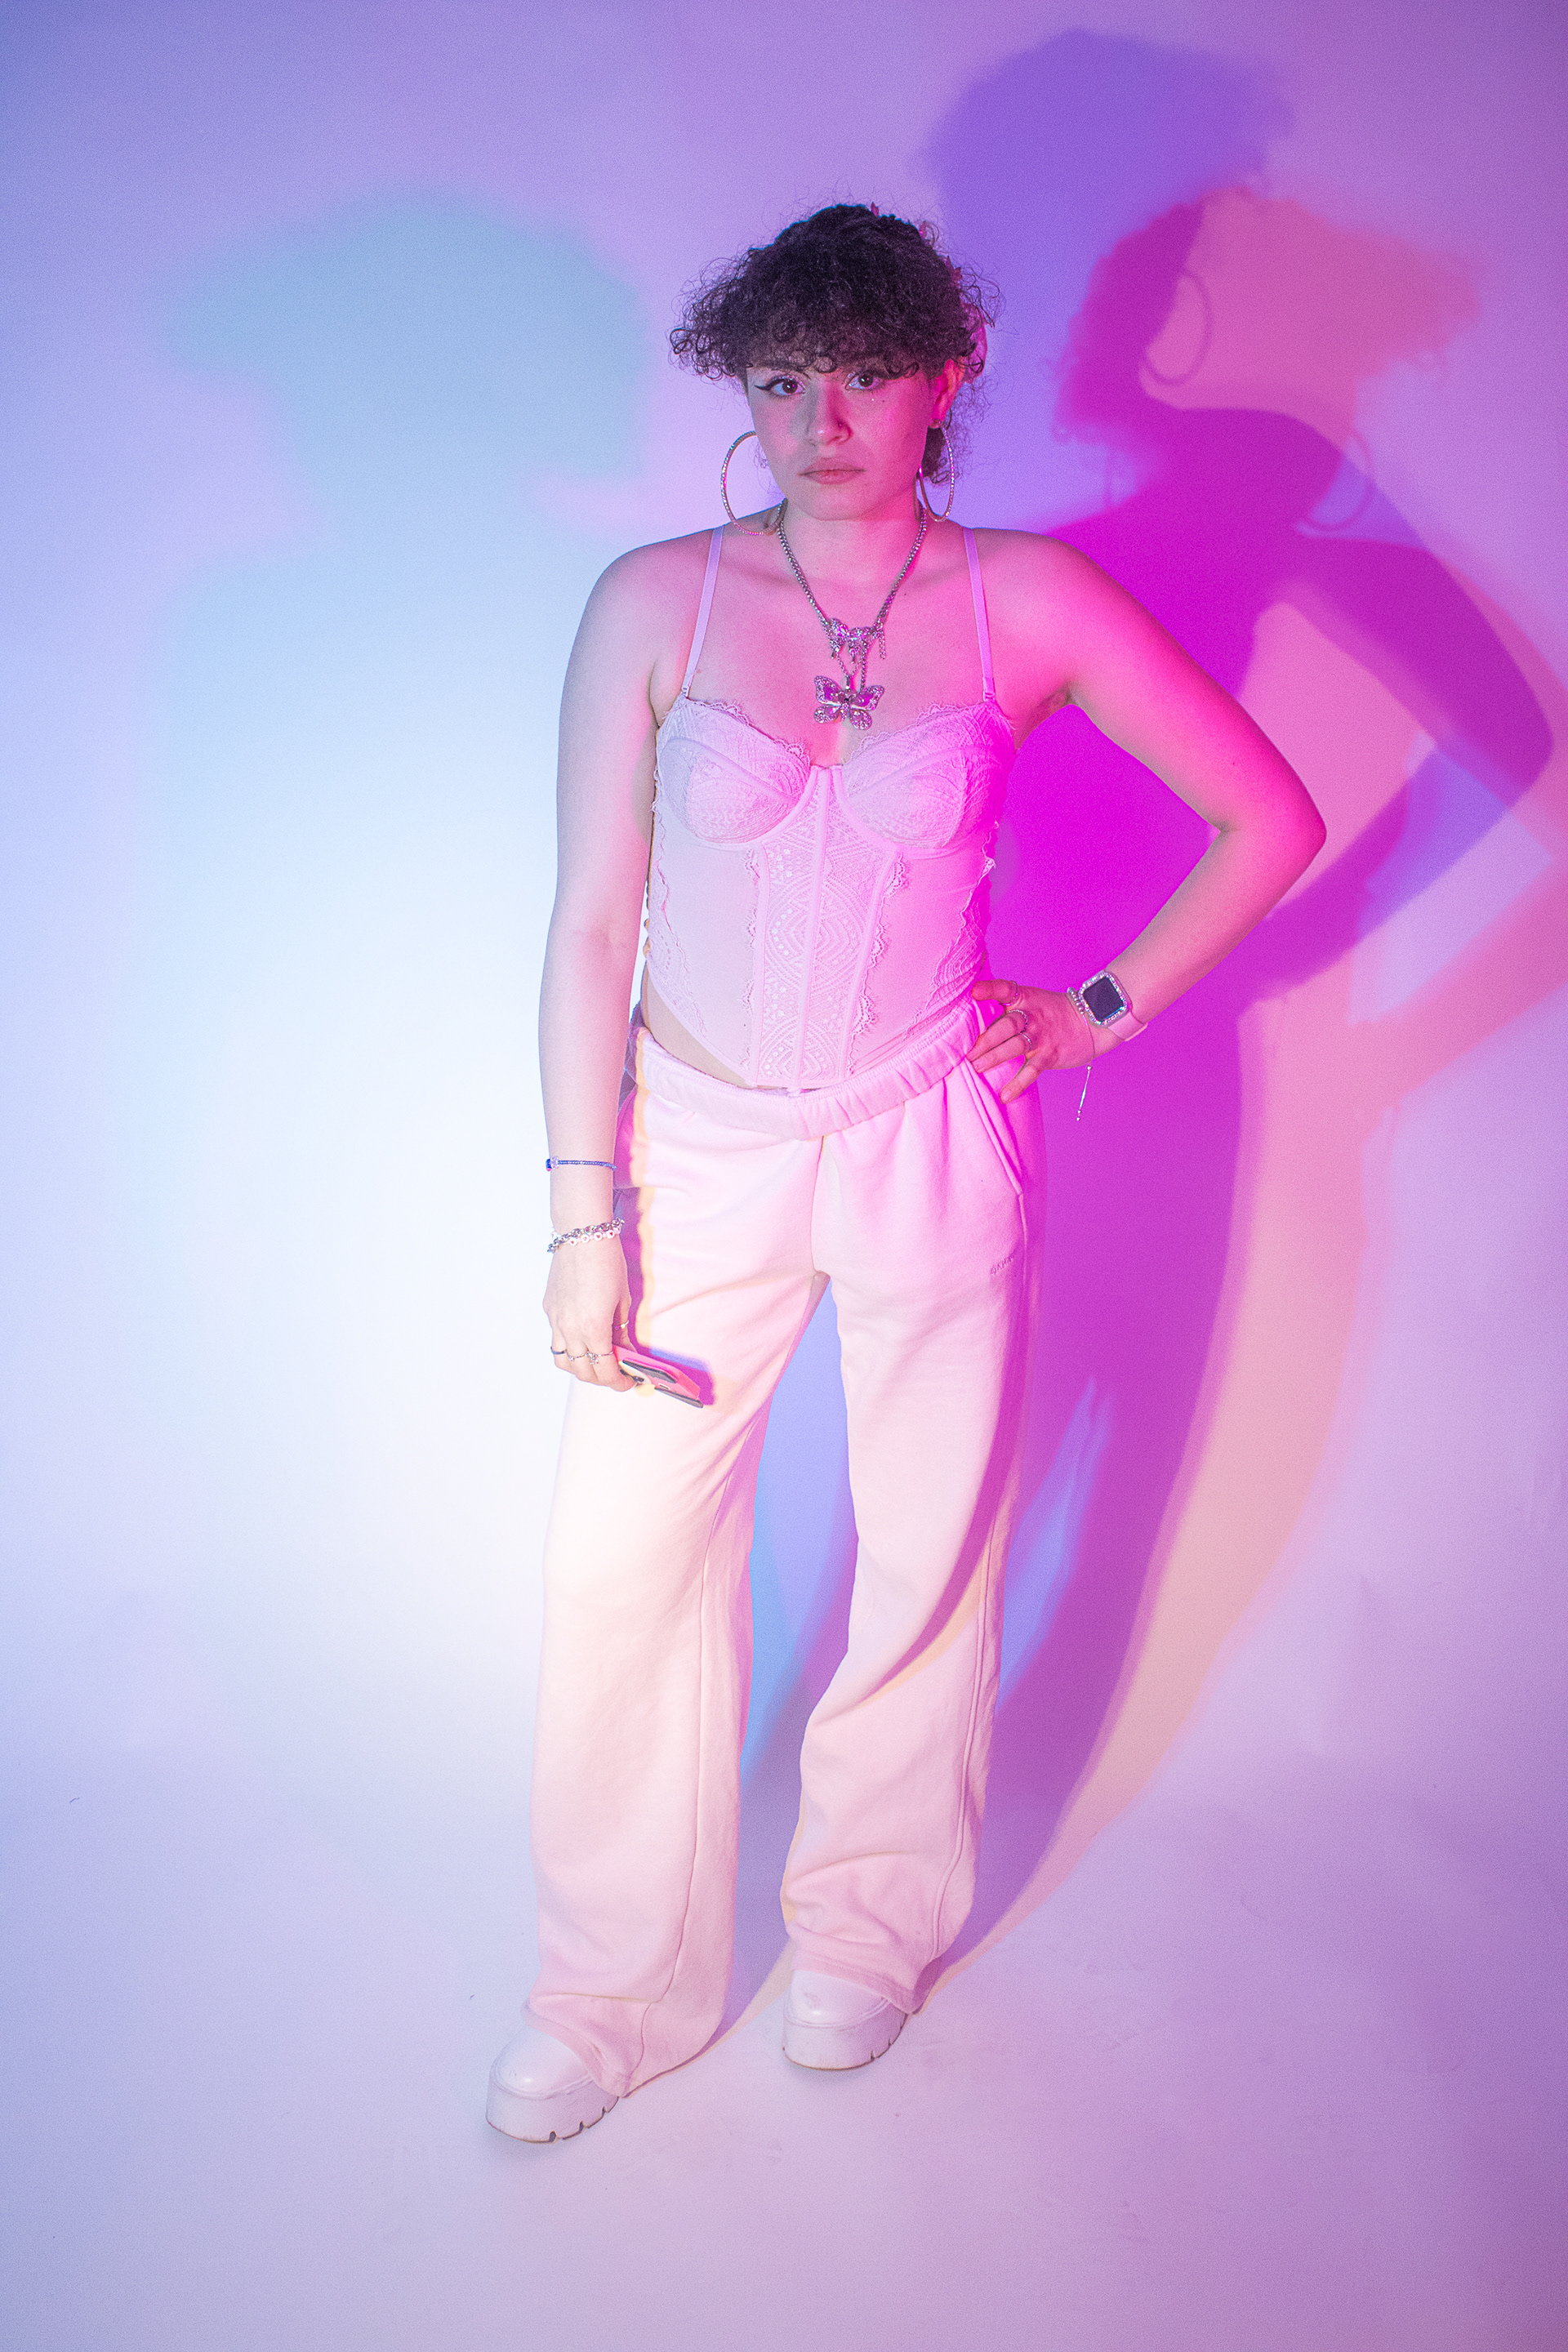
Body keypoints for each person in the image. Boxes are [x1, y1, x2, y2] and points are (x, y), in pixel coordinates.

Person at [485, 203, 1325, 2144]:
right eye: (782, 378)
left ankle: (864, 1932)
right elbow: (587, 927)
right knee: (619, 1568)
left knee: (931, 1547)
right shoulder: (657, 599)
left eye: (864, 372)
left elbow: (1267, 817)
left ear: (947, 376)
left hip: (930, 1132)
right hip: (696, 1148)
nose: (821, 418)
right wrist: (580, 1217)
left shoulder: (1028, 597)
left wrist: (1099, 1010)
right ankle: (612, 1990)